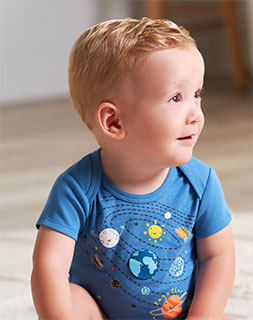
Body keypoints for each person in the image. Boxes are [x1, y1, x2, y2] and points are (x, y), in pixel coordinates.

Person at [30, 17, 235, 320]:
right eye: (176, 97)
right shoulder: (77, 188)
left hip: (182, 315)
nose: (195, 113)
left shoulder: (200, 182)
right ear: (114, 122)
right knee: (71, 299)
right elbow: (49, 266)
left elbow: (219, 256)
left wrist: (203, 315)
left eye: (197, 94)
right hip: (102, 314)